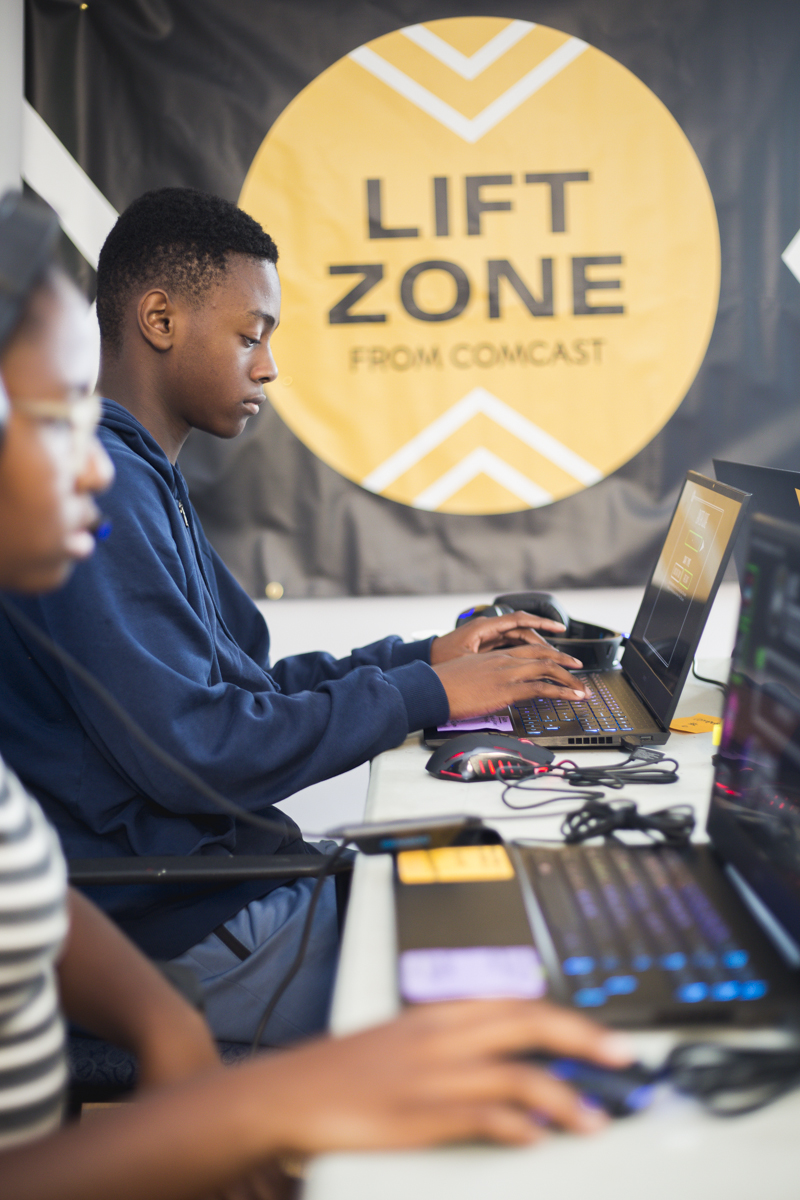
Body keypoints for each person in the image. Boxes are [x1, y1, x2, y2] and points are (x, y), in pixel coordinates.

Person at [0, 188, 633, 1200]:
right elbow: (200, 746)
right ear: (160, 321)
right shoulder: (116, 487)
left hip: (197, 899)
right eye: (250, 334)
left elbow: (244, 686)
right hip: (183, 919)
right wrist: (427, 688)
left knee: (504, 915)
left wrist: (424, 658)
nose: (268, 365)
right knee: (538, 974)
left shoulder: (140, 476)